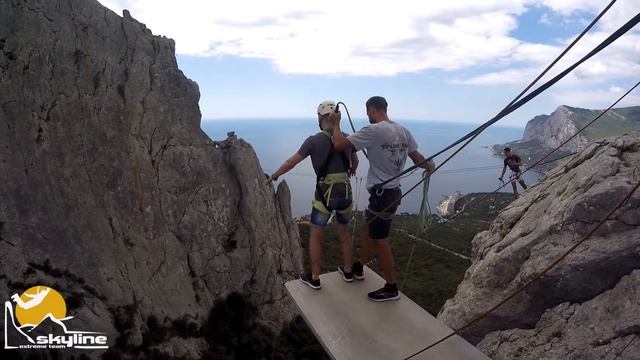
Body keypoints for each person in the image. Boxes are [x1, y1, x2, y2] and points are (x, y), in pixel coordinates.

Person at [328, 96, 435, 302]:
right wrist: (428, 165)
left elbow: (339, 144)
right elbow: (417, 158)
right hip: (392, 193)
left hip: (382, 195)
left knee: (381, 241)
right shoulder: (404, 131)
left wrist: (336, 124)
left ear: (372, 109)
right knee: (369, 230)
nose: (368, 115)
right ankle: (359, 268)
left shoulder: (373, 131)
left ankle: (391, 287)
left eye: (368, 112)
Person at [268, 101, 359, 290]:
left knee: (316, 234)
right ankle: (349, 271)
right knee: (343, 232)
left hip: (324, 196)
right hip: (345, 193)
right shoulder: (348, 139)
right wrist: (351, 169)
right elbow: (355, 161)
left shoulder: (313, 140)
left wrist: (275, 174)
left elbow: (291, 162)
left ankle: (315, 277)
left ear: (322, 118)